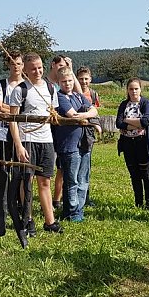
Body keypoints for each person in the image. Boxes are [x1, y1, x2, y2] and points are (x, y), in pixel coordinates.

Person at [9, 52, 63, 234]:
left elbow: (53, 112)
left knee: (45, 181)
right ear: (25, 69)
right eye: (33, 69)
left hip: (46, 141)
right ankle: (28, 219)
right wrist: (18, 145)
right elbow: (12, 120)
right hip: (28, 140)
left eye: (40, 67)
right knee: (27, 181)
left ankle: (50, 221)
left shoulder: (50, 88)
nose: (37, 71)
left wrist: (54, 117)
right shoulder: (20, 90)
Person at [53, 68, 98, 222]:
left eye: (70, 80)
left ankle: (79, 211)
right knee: (71, 180)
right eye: (64, 81)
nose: (68, 84)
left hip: (84, 143)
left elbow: (94, 111)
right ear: (59, 82)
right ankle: (71, 212)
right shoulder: (59, 97)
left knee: (83, 179)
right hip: (69, 144)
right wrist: (85, 116)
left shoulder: (79, 96)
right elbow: (71, 114)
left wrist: (84, 115)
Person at [115, 78, 149, 210]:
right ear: (127, 90)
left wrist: (127, 120)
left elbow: (147, 121)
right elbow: (118, 123)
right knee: (134, 174)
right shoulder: (124, 105)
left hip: (143, 143)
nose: (133, 91)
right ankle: (138, 202)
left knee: (146, 174)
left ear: (140, 89)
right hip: (128, 143)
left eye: (136, 88)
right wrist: (137, 124)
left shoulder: (146, 103)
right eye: (131, 89)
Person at [48, 55, 82, 210]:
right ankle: (48, 200)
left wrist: (71, 70)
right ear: (53, 65)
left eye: (65, 65)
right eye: (61, 65)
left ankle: (57, 200)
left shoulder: (66, 82)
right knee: (47, 170)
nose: (63, 68)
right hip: (49, 131)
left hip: (62, 134)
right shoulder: (47, 83)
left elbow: (80, 94)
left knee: (62, 169)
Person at [0, 51, 24, 160]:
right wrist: (17, 110)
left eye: (18, 63)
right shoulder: (1, 85)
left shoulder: (27, 86)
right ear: (8, 65)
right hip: (1, 135)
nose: (16, 66)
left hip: (21, 135)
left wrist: (8, 108)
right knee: (2, 169)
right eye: (13, 63)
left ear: (23, 65)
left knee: (19, 170)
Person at [77, 66, 100, 207]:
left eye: (86, 79)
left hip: (88, 133)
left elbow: (96, 112)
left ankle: (85, 197)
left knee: (86, 166)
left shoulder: (93, 94)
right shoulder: (73, 92)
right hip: (75, 131)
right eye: (81, 79)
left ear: (90, 79)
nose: (83, 81)